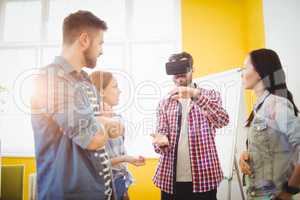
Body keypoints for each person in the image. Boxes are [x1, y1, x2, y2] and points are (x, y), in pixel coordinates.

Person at [31, 11, 123, 200]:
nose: (101, 50)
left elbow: (114, 130)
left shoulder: (85, 81)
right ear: (84, 40)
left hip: (102, 192)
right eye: (100, 43)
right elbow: (95, 138)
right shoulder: (51, 80)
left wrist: (99, 122)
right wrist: (104, 123)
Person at [151, 52, 229, 200]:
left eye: (183, 69)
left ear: (193, 69)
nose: (178, 75)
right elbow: (160, 139)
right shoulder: (164, 103)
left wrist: (194, 95)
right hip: (170, 181)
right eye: (174, 71)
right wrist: (161, 142)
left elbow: (222, 120)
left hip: (204, 178)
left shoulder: (210, 95)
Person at [239, 48, 300, 200]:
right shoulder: (259, 108)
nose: (242, 73)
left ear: (259, 72)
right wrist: (246, 156)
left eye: (245, 68)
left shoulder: (276, 105)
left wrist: (290, 190)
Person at [90, 71, 146, 200]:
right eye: (115, 87)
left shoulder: (118, 118)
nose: (120, 91)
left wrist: (127, 159)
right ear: (101, 92)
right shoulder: (91, 122)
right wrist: (125, 158)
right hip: (103, 186)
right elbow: (96, 165)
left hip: (120, 181)